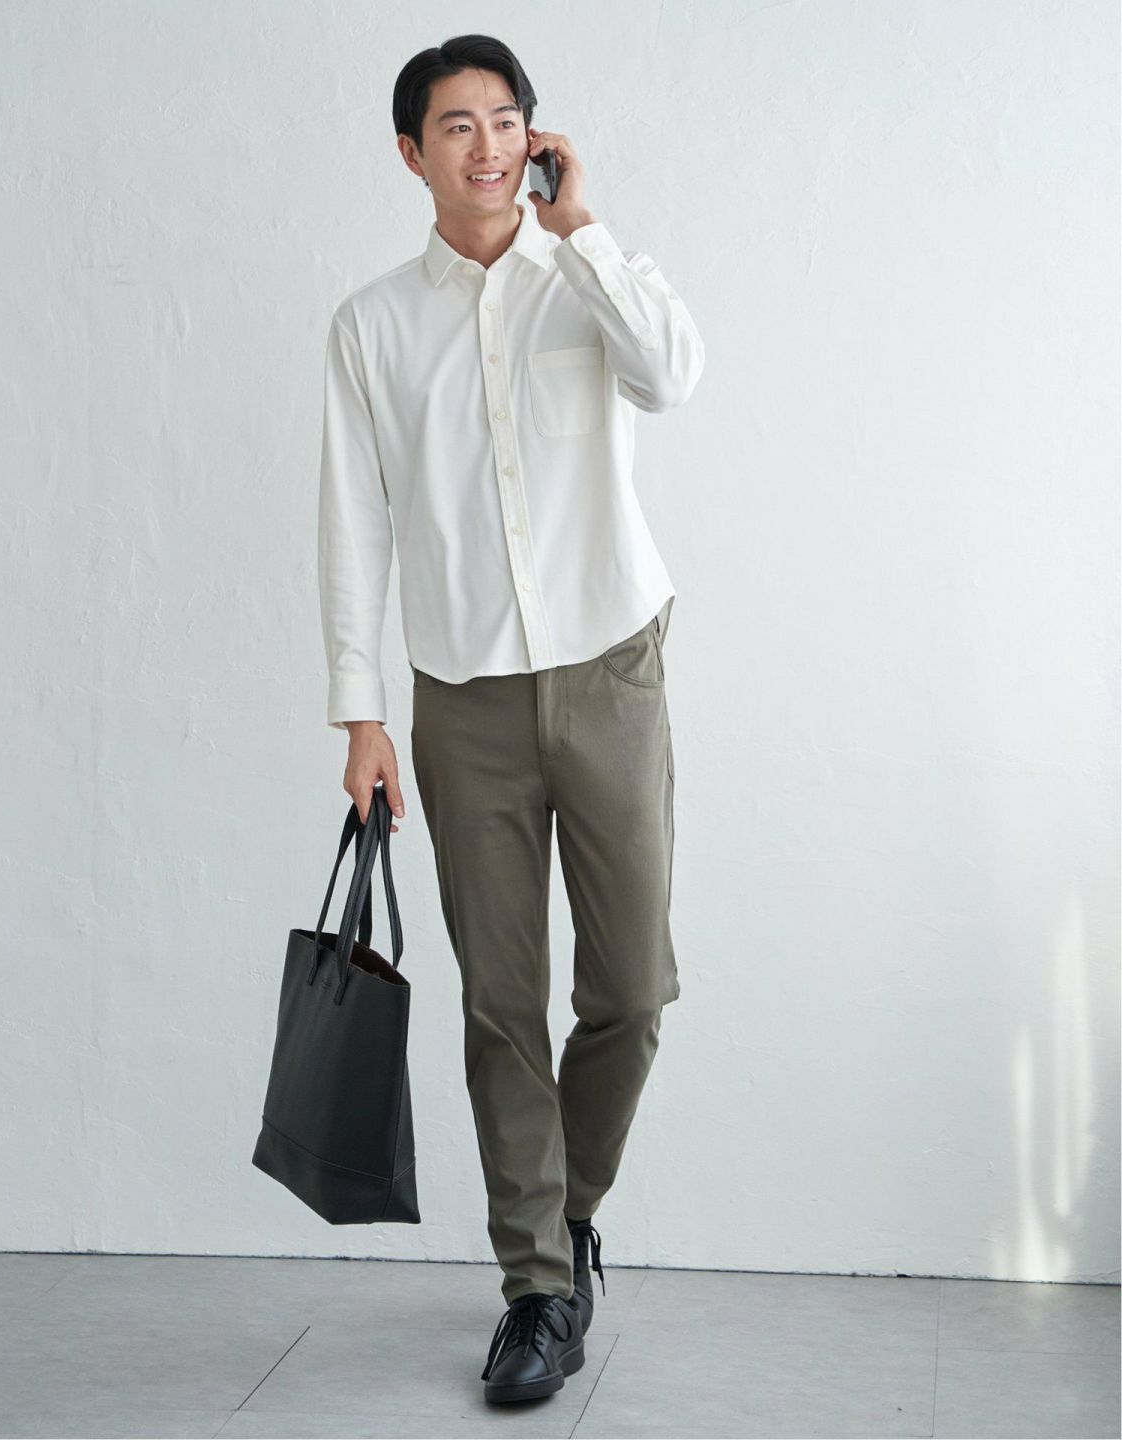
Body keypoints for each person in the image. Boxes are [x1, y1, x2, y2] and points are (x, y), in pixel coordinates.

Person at [317, 32, 705, 1405]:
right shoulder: (372, 326)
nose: (484, 146)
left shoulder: (587, 280)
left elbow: (673, 373)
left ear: (532, 139)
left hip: (611, 670)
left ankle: (569, 1210)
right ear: (411, 152)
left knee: (633, 991)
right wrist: (361, 714)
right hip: (462, 700)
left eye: (504, 120)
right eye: (454, 125)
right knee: (500, 1000)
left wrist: (582, 227)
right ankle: (537, 1286)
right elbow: (355, 524)